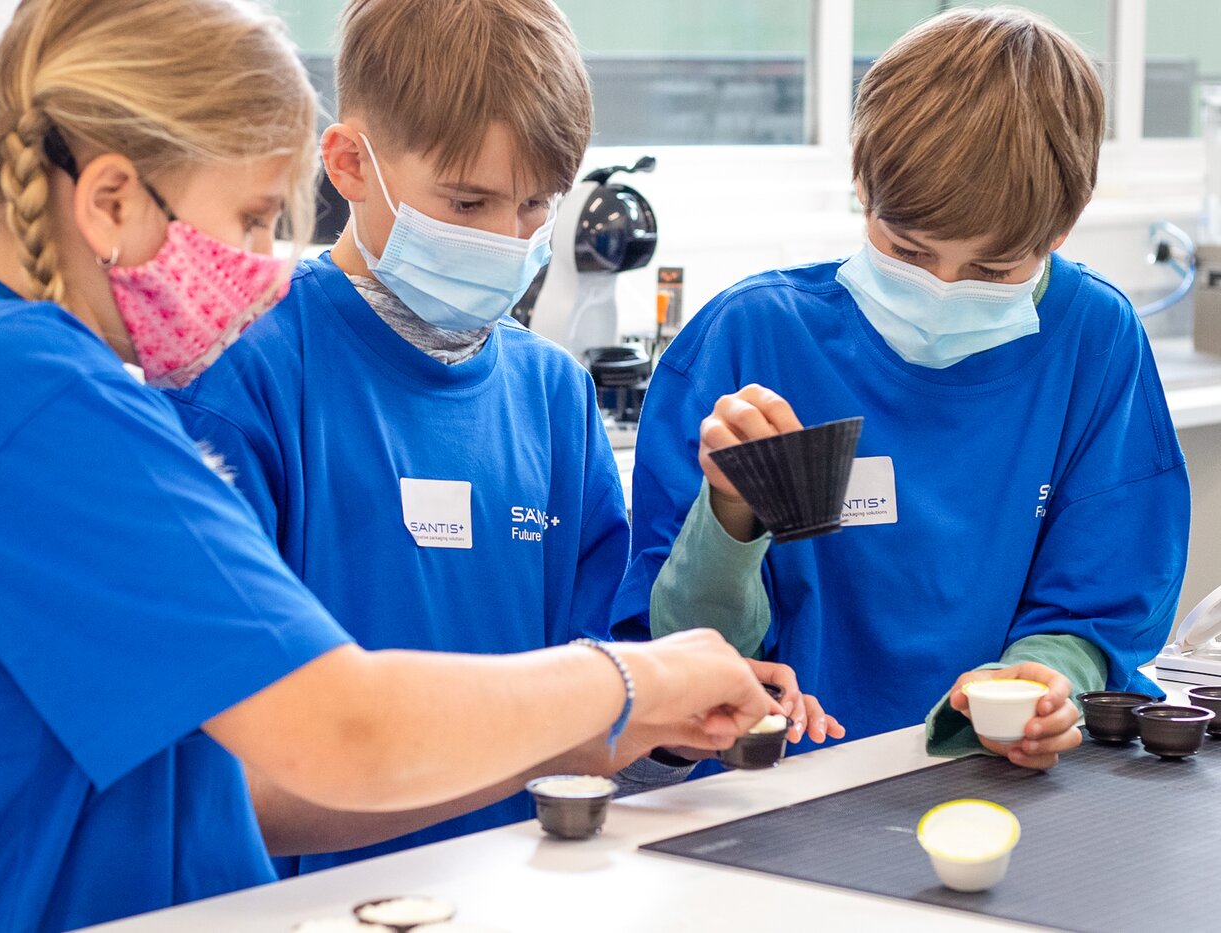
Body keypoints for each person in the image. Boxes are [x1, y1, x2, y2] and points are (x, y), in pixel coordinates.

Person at [0, 2, 783, 929]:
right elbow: (342, 732)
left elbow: (257, 784)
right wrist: (630, 681)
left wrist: (626, 721)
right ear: (111, 198)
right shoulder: (18, 396)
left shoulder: (18, 383)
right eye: (247, 219)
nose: (258, 269)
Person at [165, 0, 841, 875]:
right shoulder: (247, 369)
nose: (503, 238)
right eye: (467, 200)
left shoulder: (551, 392)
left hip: (520, 878)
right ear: (348, 163)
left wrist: (689, 710)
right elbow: (227, 757)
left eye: (533, 207)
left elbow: (603, 690)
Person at [613, 8, 1190, 771]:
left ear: (1065, 223)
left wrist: (1048, 680)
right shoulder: (752, 340)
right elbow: (680, 659)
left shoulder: (1093, 338)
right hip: (781, 788)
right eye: (906, 251)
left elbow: (1105, 594)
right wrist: (729, 514)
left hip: (997, 775)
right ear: (861, 181)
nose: (941, 288)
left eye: (990, 271)